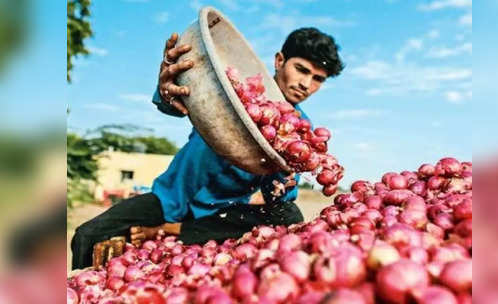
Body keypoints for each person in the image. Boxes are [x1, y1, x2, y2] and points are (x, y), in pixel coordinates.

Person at [71, 27, 344, 270]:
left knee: (288, 215)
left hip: (220, 213)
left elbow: (280, 196)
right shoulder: (234, 89)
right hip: (169, 199)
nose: (306, 84)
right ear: (280, 61)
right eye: (302, 70)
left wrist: (287, 175)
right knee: (87, 235)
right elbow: (178, 101)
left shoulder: (300, 133)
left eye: (318, 79)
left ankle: (172, 231)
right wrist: (168, 87)